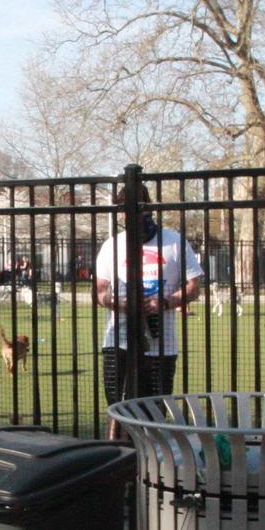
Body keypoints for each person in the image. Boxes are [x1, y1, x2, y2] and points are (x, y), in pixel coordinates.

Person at [94, 184, 204, 434]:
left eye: (134, 208)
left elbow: (194, 287)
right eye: (123, 209)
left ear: (147, 207)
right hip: (118, 339)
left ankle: (152, 454)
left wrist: (163, 303)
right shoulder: (112, 245)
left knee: (154, 409)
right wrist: (118, 303)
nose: (128, 215)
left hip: (161, 342)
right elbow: (99, 291)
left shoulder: (174, 242)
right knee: (116, 406)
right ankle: (118, 452)